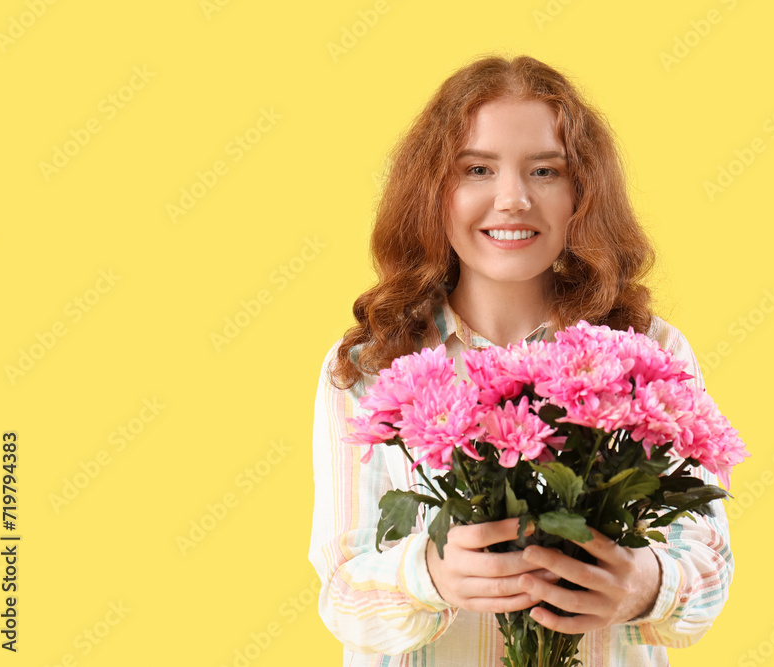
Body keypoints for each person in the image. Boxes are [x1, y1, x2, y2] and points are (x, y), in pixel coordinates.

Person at [309, 54, 734, 666]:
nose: (512, 199)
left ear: (582, 194)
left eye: (545, 171)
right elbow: (342, 594)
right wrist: (429, 575)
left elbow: (710, 563)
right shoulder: (371, 364)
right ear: (433, 192)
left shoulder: (649, 351)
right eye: (477, 169)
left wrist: (644, 584)